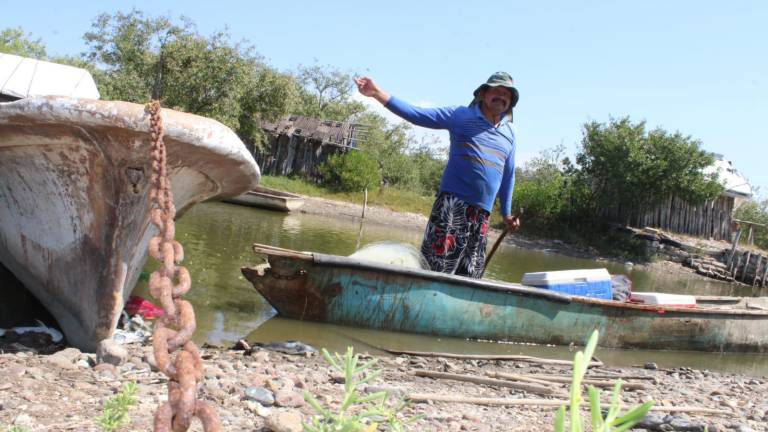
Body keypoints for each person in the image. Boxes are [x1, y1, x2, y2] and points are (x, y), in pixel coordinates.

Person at [355, 72, 521, 278]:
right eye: (496, 91)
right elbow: (417, 115)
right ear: (483, 94)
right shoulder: (461, 115)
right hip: (452, 207)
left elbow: (509, 175)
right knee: (436, 270)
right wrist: (377, 93)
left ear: (511, 102)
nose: (501, 96)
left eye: (506, 94)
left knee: (470, 275)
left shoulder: (510, 134)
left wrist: (506, 213)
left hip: (482, 216)